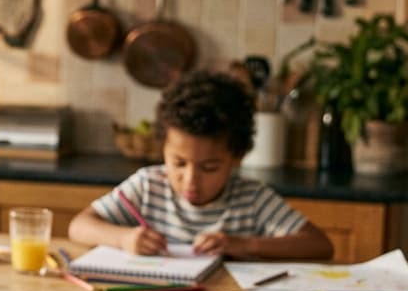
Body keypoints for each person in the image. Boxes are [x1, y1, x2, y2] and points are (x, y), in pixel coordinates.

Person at [68, 69, 333, 260]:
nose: (191, 180)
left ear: (237, 157)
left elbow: (319, 245)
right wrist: (124, 239)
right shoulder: (148, 186)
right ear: (163, 149)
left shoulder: (252, 199)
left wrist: (243, 245)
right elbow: (79, 226)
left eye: (209, 167)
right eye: (179, 163)